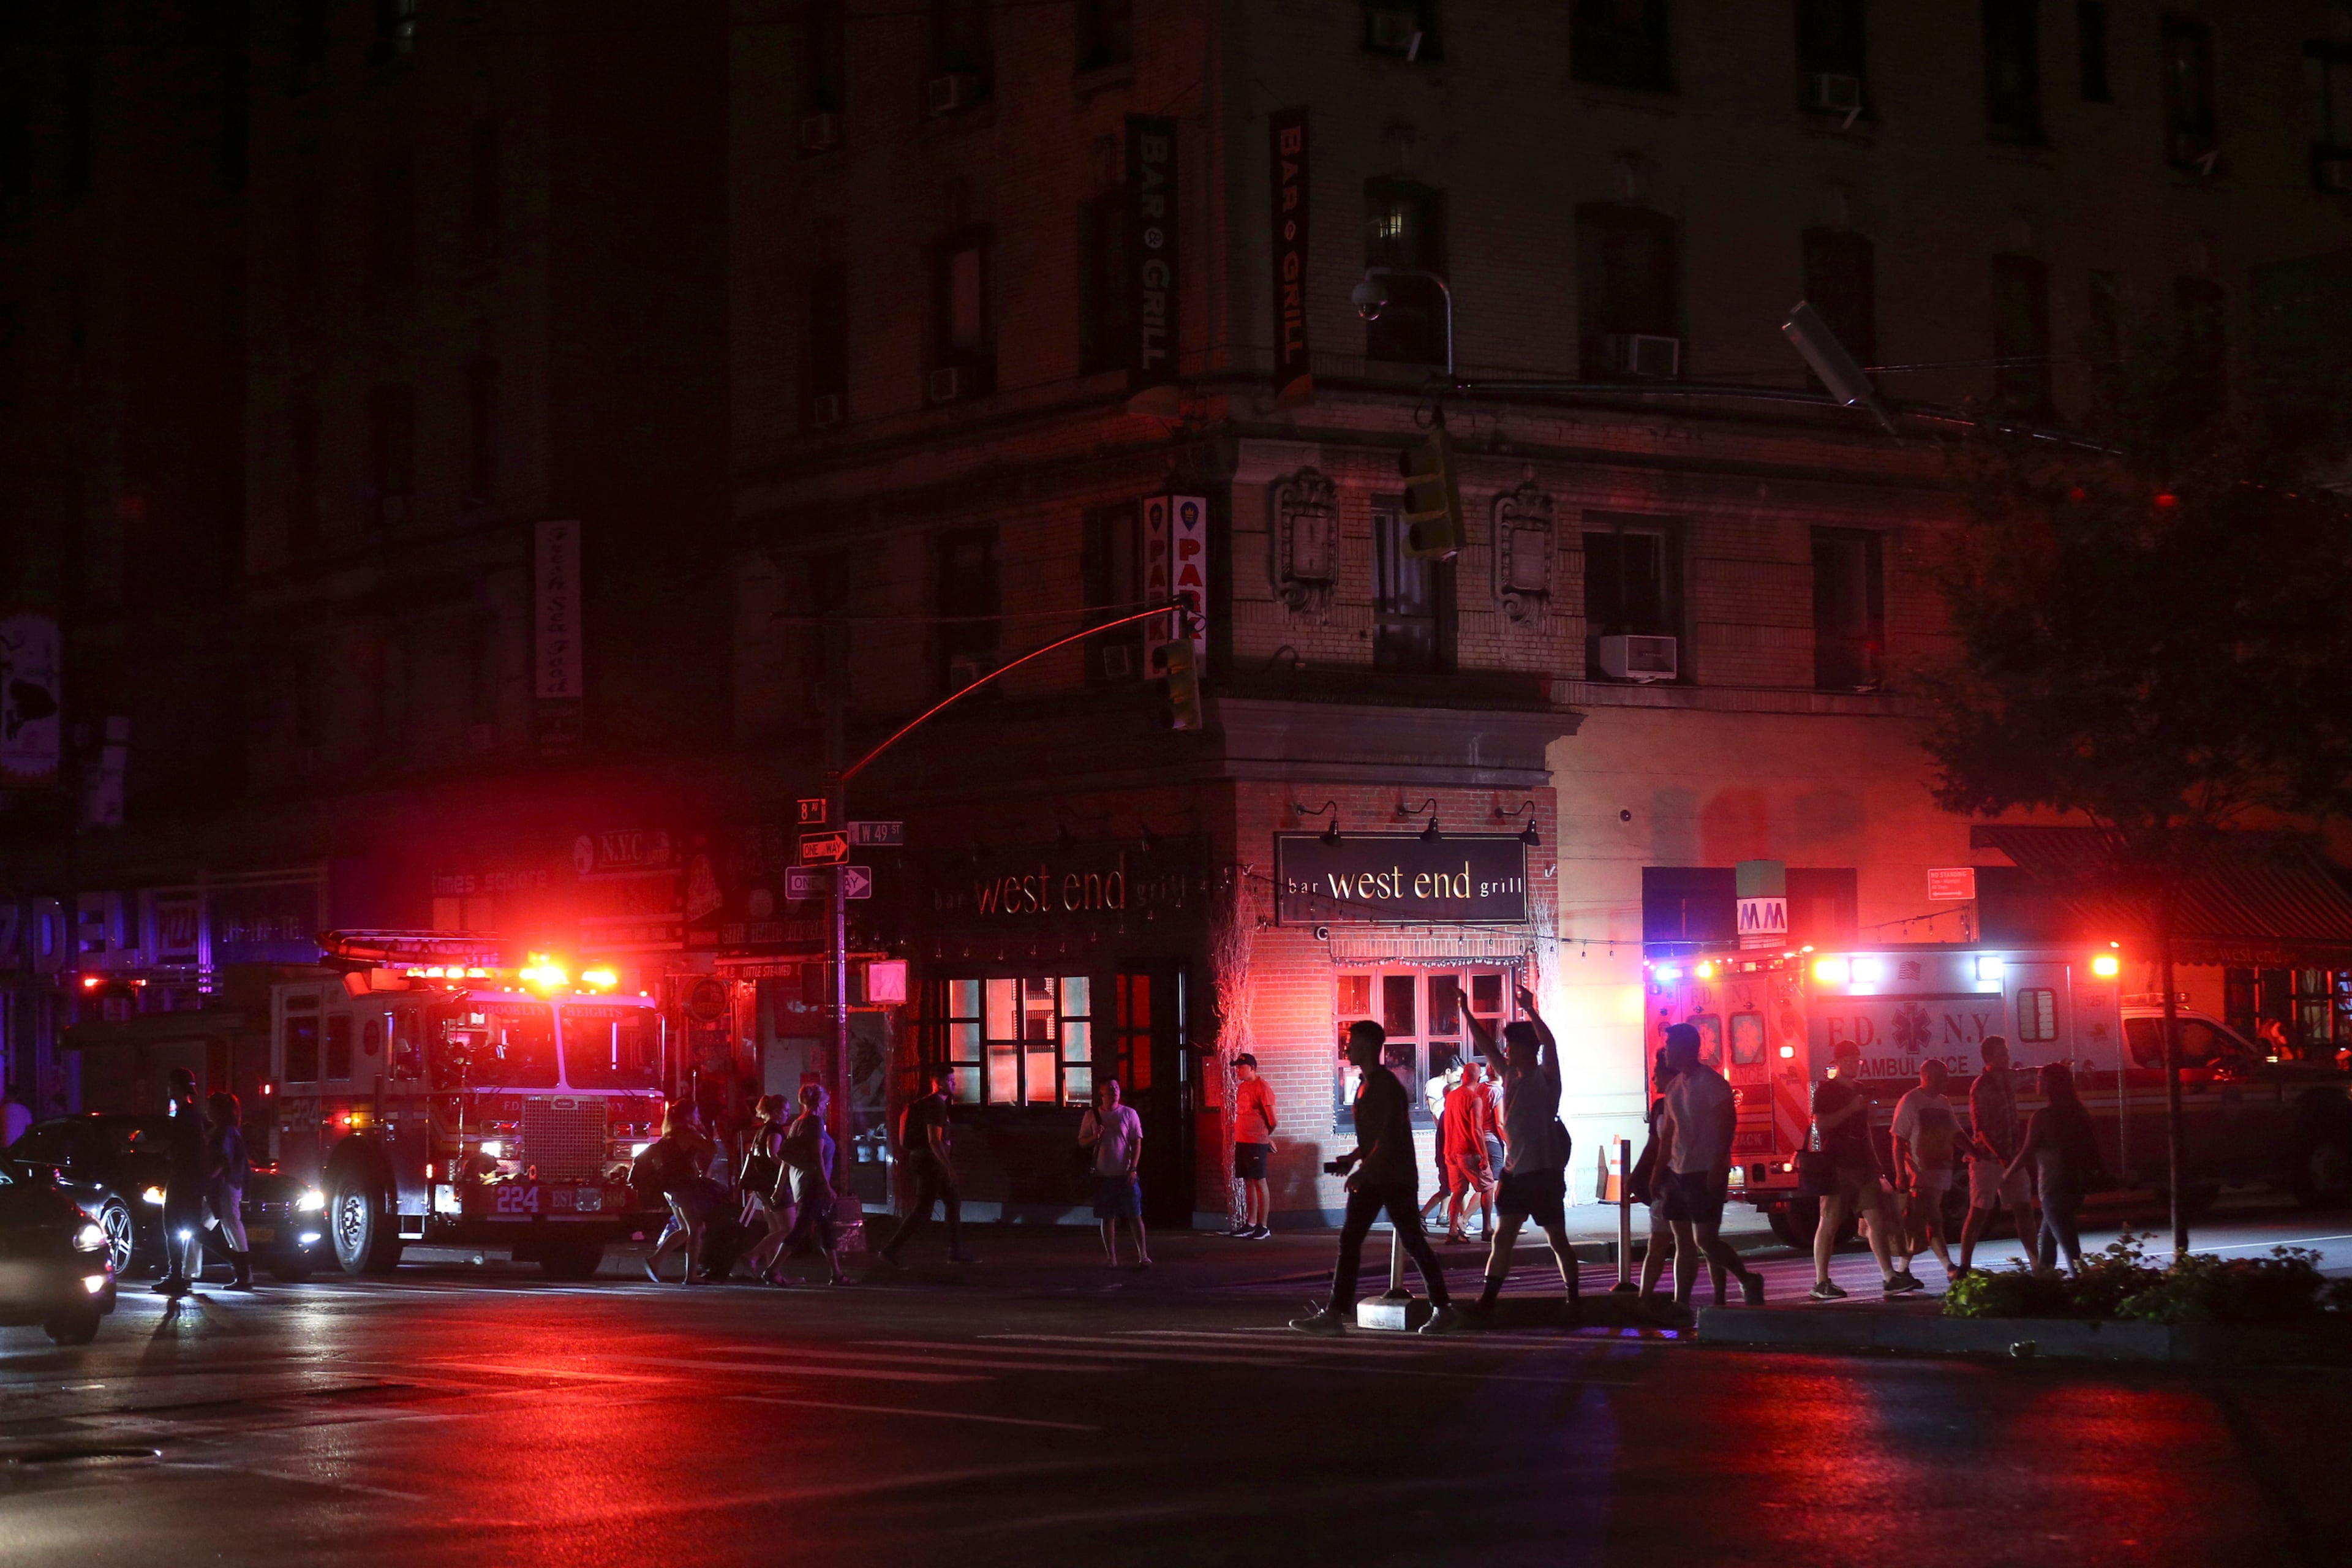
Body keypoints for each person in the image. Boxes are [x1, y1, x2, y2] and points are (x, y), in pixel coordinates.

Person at [1289, 1020, 1467, 1337]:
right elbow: (1375, 1138)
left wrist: (1364, 1170)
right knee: (1356, 1240)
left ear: (1370, 1046)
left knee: (1408, 1240)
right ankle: (1336, 1314)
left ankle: (1444, 1309)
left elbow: (1389, 1137)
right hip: (1381, 1174)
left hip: (1392, 1176)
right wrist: (1353, 1159)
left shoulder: (1384, 1085)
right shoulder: (1367, 1083)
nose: (1347, 1047)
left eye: (1352, 1042)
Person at [1463, 984, 1580, 1317]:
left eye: (1512, 1047)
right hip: (1514, 1173)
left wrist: (1529, 1009)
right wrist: (1467, 1012)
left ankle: (1574, 1298)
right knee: (1503, 1238)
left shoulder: (1546, 1078)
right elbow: (1486, 1046)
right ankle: (1487, 1300)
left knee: (1557, 1239)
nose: (1506, 1052)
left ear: (1527, 1049)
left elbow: (1551, 1044)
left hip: (1543, 1173)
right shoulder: (1509, 1076)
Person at [1655, 1023, 1766, 1310]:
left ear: (1685, 1049)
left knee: (1705, 1239)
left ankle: (1747, 1277)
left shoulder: (1712, 1083)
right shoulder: (1674, 1087)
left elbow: (1727, 1124)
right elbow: (1668, 1133)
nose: (1666, 1052)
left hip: (1704, 1171)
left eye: (1669, 1046)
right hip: (1678, 1172)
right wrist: (1659, 1170)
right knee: (1683, 1241)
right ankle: (1681, 1303)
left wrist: (1720, 1162)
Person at [1808, 1039, 1916, 1299]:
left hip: (1863, 1164)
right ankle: (1821, 1282)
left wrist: (1878, 1168)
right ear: (1837, 1063)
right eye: (1848, 1061)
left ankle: (1889, 1276)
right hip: (1837, 1164)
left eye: (1856, 1060)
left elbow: (1865, 1131)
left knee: (1876, 1219)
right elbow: (1821, 1125)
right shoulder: (1827, 1090)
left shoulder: (1860, 1090)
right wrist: (1851, 1108)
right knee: (1830, 1221)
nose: (1854, 1065)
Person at [2005, 1061, 2103, 1276]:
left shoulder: (2042, 1118)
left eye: (2040, 1079)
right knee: (2048, 1243)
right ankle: (2044, 1281)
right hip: (2074, 1186)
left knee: (2071, 1248)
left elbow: (2026, 1151)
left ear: (2050, 1084)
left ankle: (2084, 1287)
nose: (2036, 1082)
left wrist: (2006, 1175)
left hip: (2053, 1189)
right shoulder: (2078, 1113)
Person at [876, 1067, 975, 1266]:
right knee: (923, 1209)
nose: (954, 1083)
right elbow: (934, 1140)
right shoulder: (935, 1106)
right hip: (932, 1162)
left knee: (952, 1201)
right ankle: (890, 1250)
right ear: (938, 1083)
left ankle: (955, 1252)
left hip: (923, 1160)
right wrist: (948, 1166)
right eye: (949, 1080)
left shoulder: (924, 1104)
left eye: (954, 1079)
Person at [1958, 1035, 2037, 1275]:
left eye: (2007, 1053)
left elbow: (2031, 1074)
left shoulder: (2009, 1078)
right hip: (1988, 1160)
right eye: (2002, 1054)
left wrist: (2056, 1069)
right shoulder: (1981, 1086)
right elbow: (1981, 1128)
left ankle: (2036, 1262)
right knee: (1979, 1212)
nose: (2007, 1057)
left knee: (2024, 1208)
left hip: (2012, 1157)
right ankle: (1964, 1265)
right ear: (1989, 1058)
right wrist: (2002, 1157)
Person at [1890, 1058, 1962, 1281]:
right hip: (1919, 1173)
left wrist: (1974, 1151)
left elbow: (1955, 1132)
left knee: (1920, 1222)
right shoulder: (1911, 1101)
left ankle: (1902, 1270)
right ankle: (1950, 1268)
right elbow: (1898, 1140)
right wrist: (1901, 1173)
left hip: (1941, 1171)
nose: (1947, 1081)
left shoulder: (1943, 1102)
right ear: (1928, 1077)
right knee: (1933, 1218)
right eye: (1943, 1076)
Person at [775, 1084, 849, 1286]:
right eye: (826, 1101)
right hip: (814, 1183)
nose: (827, 1105)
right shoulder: (815, 1121)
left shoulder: (798, 1122)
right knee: (801, 1227)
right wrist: (827, 1185)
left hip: (804, 1181)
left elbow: (789, 1157)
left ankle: (837, 1274)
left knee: (825, 1226)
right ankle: (773, 1269)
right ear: (819, 1102)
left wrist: (782, 1185)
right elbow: (818, 1156)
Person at [643, 1102, 721, 1284]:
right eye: (696, 1113)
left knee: (685, 1229)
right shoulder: (687, 1133)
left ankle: (656, 1260)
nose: (698, 1117)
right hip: (683, 1186)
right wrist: (703, 1129)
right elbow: (712, 1149)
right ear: (687, 1117)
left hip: (670, 1188)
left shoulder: (669, 1135)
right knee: (696, 1228)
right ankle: (691, 1275)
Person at [1079, 1078, 1151, 1268]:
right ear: (1101, 1093)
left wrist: (1133, 1167)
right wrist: (1095, 1137)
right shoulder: (1092, 1115)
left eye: (1117, 1087)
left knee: (1135, 1214)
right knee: (1107, 1216)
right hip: (1103, 1174)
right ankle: (1112, 1257)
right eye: (1110, 1088)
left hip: (1125, 1173)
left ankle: (1143, 1254)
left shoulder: (1129, 1114)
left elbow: (1137, 1142)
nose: (1115, 1091)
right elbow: (1082, 1142)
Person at [154, 1068, 208, 1296]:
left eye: (170, 1086)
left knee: (174, 1227)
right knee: (190, 1228)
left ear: (175, 1087)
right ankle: (177, 1275)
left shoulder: (184, 1117)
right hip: (192, 1180)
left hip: (182, 1179)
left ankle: (176, 1276)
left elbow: (167, 1143)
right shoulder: (195, 1115)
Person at [1441, 1060, 1500, 1242]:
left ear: (1464, 1076)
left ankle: (1452, 1231)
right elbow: (1476, 1129)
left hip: (1451, 1151)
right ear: (1479, 1077)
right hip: (1468, 1151)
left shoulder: (1451, 1096)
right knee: (1488, 1187)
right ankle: (1487, 1228)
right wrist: (1483, 1155)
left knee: (1458, 1192)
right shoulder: (1475, 1099)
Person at [202, 1091, 254, 1291]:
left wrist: (211, 1176)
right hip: (224, 1186)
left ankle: (243, 1273)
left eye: (210, 1107)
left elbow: (225, 1160)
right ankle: (241, 1272)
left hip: (224, 1186)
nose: (207, 1110)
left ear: (219, 1111)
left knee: (228, 1225)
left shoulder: (227, 1132)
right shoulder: (227, 1131)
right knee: (204, 1226)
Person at [739, 1095, 794, 1282]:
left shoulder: (762, 1129)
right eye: (786, 1110)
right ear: (777, 1111)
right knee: (788, 1227)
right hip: (774, 1183)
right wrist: (789, 1168)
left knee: (774, 1229)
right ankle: (753, 1255)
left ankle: (773, 1272)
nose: (788, 1114)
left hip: (762, 1186)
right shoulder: (775, 1129)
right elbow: (773, 1153)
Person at [1228, 1054, 1278, 1240]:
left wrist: (1266, 1137)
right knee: (1248, 1181)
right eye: (1237, 1067)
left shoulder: (1262, 1087)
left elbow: (1273, 1120)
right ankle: (1251, 1223)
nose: (1238, 1070)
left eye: (1241, 1067)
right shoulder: (1242, 1087)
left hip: (1256, 1142)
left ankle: (1263, 1227)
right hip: (1242, 1141)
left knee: (1259, 1181)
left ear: (1251, 1067)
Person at [1417, 1047, 1463, 1232]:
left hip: (1447, 1138)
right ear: (1448, 1072)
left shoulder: (1453, 1093)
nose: (1460, 1079)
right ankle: (1456, 1219)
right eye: (1458, 1075)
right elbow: (1434, 1109)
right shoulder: (1435, 1086)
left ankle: (1447, 1217)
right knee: (1450, 1186)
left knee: (1450, 1186)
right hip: (1445, 1140)